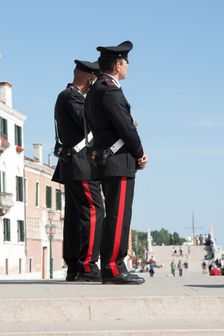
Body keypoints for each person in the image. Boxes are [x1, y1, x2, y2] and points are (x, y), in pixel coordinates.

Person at [84, 41, 148, 285]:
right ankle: (113, 267)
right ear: (118, 64)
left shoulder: (96, 89)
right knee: (119, 216)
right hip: (118, 161)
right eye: (126, 62)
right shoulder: (110, 90)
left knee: (114, 215)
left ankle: (113, 265)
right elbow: (126, 128)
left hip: (106, 159)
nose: (128, 67)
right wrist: (140, 153)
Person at [52, 60, 104, 282]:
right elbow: (88, 122)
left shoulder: (68, 95)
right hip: (80, 165)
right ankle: (87, 265)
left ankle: (75, 266)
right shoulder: (72, 96)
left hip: (74, 164)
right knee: (94, 211)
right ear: (90, 78)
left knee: (75, 217)